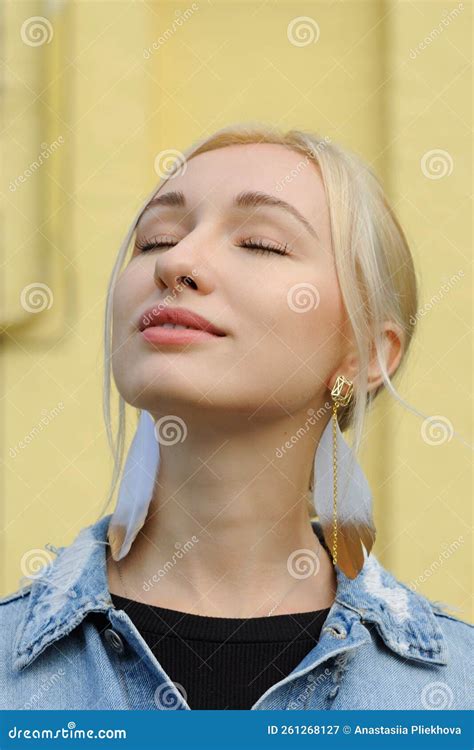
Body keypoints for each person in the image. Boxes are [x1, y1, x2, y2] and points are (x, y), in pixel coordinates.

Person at [1, 124, 472, 711]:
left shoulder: (455, 698)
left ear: (367, 353)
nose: (177, 261)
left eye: (260, 244)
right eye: (155, 239)